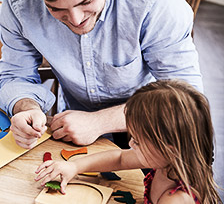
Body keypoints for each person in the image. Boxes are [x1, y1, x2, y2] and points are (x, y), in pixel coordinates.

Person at [0, 0, 202, 149]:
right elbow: (17, 75)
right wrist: (26, 107)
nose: (76, 20)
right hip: (74, 128)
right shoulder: (19, 0)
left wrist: (100, 122)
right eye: (56, 8)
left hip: (154, 127)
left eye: (86, 1)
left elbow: (186, 98)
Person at [35, 80, 221, 204]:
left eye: (138, 141)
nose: (131, 144)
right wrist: (74, 167)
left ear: (169, 149)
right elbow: (120, 158)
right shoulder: (167, 161)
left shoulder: (176, 199)